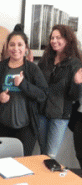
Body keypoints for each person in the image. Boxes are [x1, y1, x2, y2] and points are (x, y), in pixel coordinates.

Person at [0, 24, 48, 156]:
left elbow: (43, 95)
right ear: (7, 47)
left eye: (20, 45)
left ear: (26, 48)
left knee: (23, 164)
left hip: (26, 127)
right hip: (1, 126)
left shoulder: (33, 69)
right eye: (12, 45)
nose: (16, 49)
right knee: (2, 162)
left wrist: (23, 84)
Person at [38, 24, 82, 159]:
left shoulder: (74, 63)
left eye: (58, 37)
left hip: (60, 116)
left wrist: (77, 83)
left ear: (68, 40)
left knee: (50, 156)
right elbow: (38, 84)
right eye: (52, 38)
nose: (54, 41)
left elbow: (74, 96)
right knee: (42, 155)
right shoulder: (45, 60)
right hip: (41, 114)